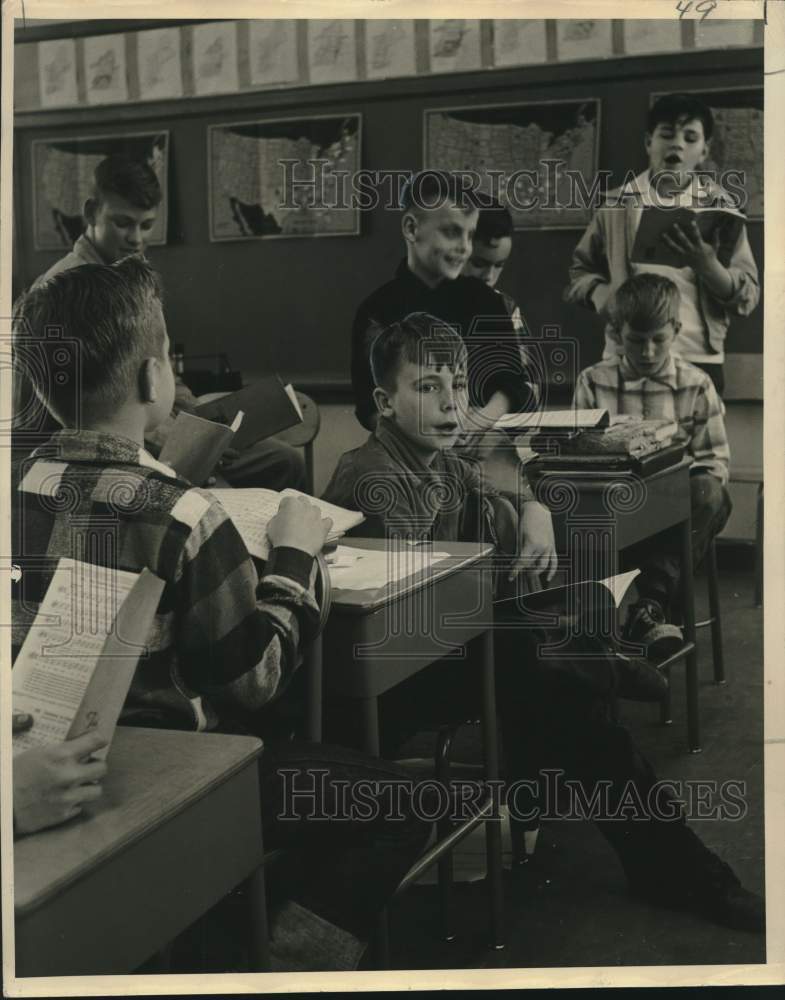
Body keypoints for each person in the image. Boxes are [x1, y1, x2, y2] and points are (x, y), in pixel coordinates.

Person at [11, 258, 432, 972]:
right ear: (152, 378)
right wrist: (295, 559)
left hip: (46, 759)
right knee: (402, 806)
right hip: (181, 776)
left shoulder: (16, 488)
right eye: (171, 353)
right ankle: (261, 958)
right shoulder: (182, 514)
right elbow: (253, 679)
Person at [322, 311, 763, 933]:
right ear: (382, 402)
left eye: (459, 387)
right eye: (427, 388)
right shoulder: (373, 478)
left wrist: (533, 511)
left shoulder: (438, 461)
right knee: (554, 666)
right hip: (390, 682)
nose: (452, 405)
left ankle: (593, 662)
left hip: (446, 649)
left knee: (565, 683)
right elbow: (407, 619)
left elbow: (500, 491)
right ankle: (602, 661)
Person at [18, 154, 306, 492]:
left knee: (284, 461)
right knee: (226, 493)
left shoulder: (128, 278)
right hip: (116, 450)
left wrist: (202, 421)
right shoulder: (63, 291)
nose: (136, 239)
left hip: (163, 432)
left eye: (146, 225)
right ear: (91, 213)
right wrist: (172, 438)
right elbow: (94, 402)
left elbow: (154, 363)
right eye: (122, 223)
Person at [573, 273, 732, 660]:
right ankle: (649, 616)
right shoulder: (593, 382)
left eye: (658, 340)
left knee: (709, 493)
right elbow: (577, 460)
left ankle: (651, 605)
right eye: (635, 340)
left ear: (676, 330)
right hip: (617, 509)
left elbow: (713, 463)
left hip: (676, 513)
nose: (647, 352)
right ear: (615, 332)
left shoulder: (697, 384)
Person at [564, 92, 760, 397]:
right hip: (625, 355)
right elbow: (579, 272)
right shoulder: (617, 204)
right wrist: (607, 298)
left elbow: (748, 296)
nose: (677, 144)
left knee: (696, 444)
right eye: (666, 135)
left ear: (704, 150)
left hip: (698, 358)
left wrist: (707, 265)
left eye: (690, 137)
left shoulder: (722, 207)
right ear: (648, 143)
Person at [350, 170, 535, 436]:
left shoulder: (486, 302)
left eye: (470, 236)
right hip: (406, 454)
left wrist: (477, 424)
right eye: (451, 233)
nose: (465, 248)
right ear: (412, 229)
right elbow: (368, 404)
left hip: (479, 443)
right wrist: (414, 442)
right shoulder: (376, 310)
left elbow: (511, 384)